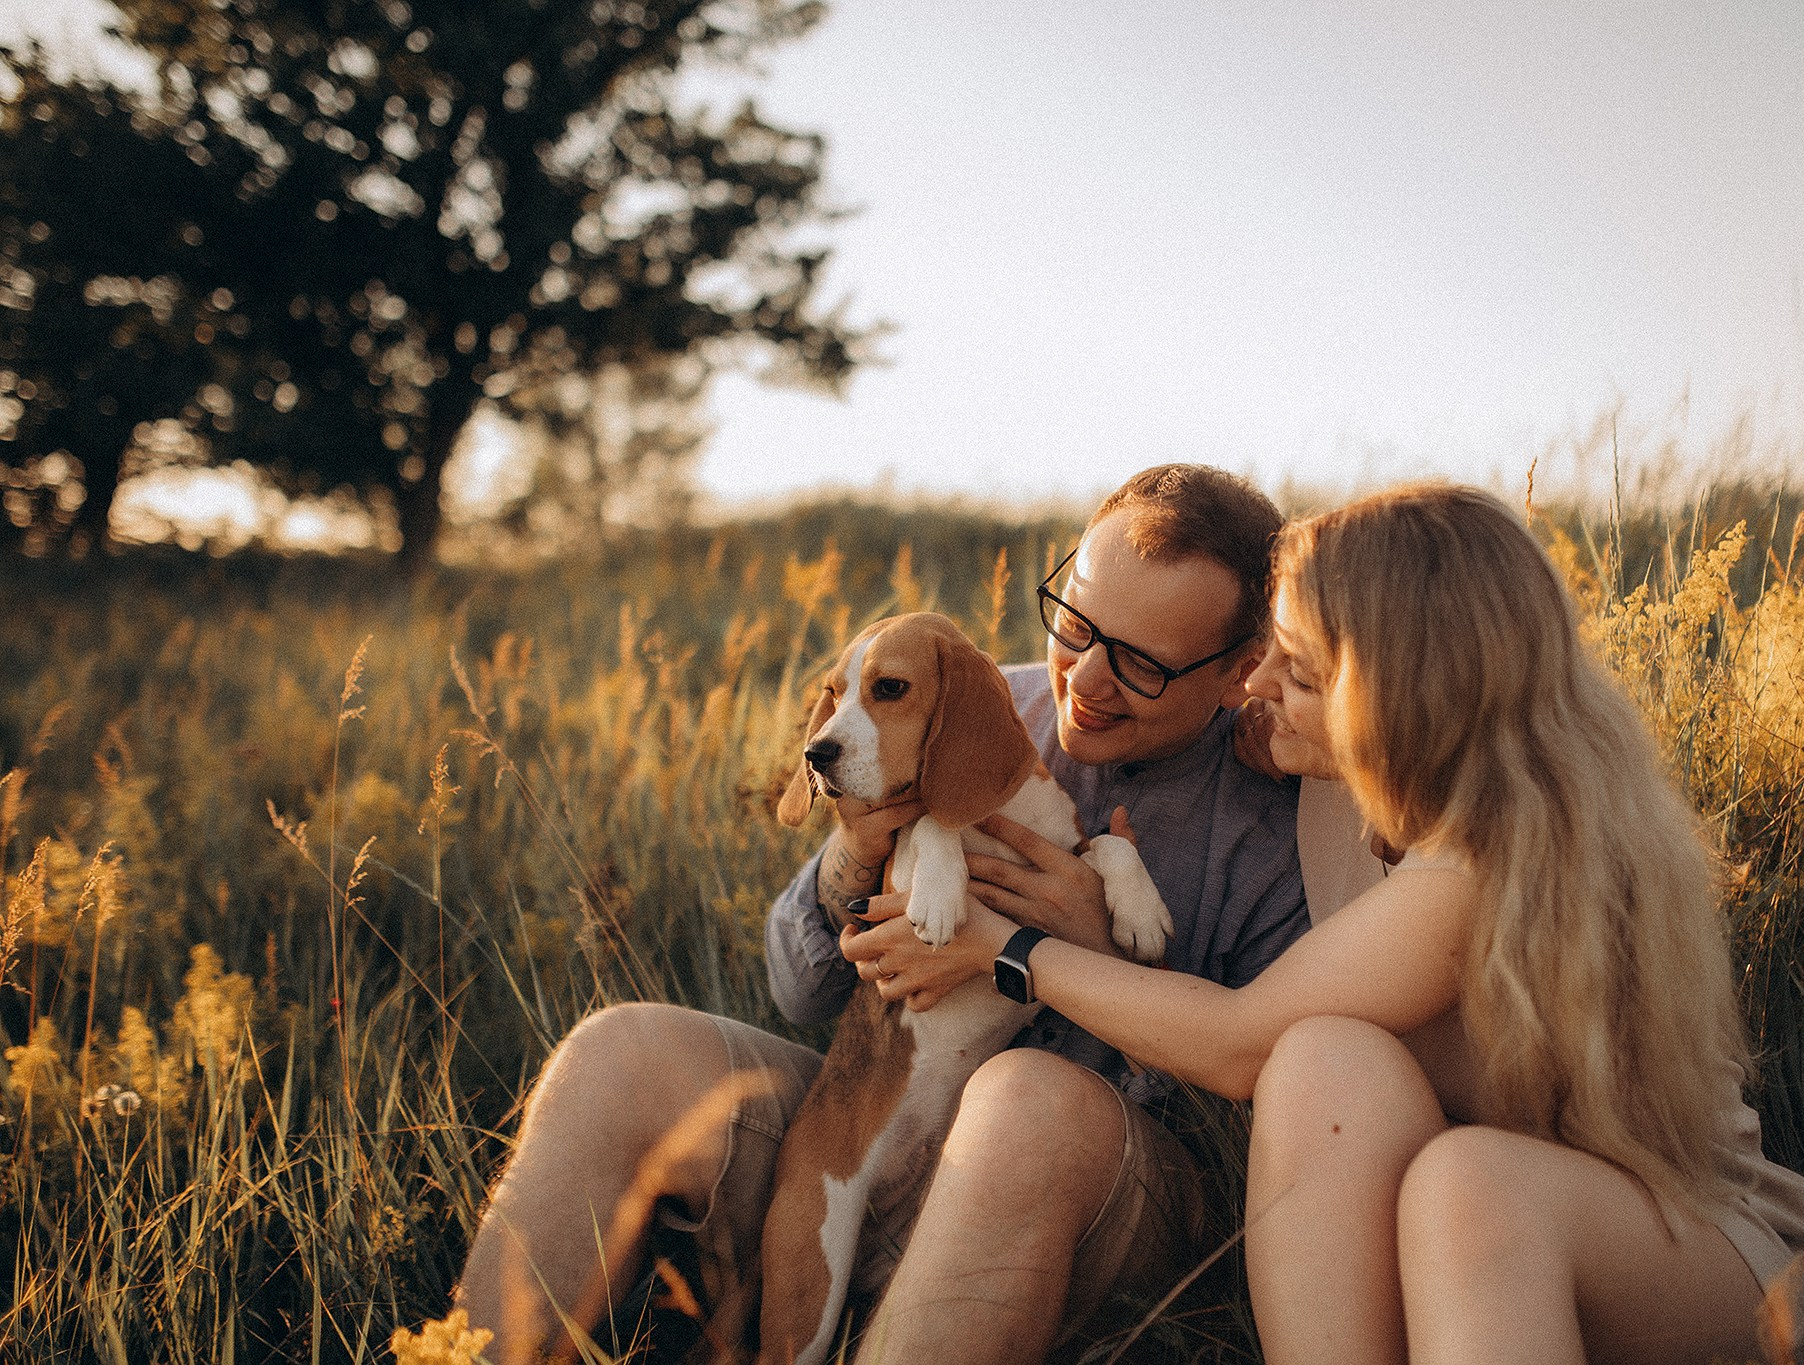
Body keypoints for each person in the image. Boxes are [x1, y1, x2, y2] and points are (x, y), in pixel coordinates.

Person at [851, 482, 1804, 1364]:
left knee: (1468, 1180)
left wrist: (1009, 948)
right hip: (1441, 1220)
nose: (1256, 684)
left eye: (1301, 671)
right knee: (1329, 1060)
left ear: (1400, 696)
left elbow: (1237, 1044)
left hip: (1684, 1243)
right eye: (1266, 655)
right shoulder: (1338, 786)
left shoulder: (1485, 857)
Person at [453, 463, 1311, 1364]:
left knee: (1025, 1105)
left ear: (1238, 673)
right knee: (620, 1051)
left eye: (1139, 661)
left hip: (1099, 1199)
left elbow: (1254, 1134)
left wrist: (1083, 959)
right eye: (1076, 624)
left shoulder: (1276, 825)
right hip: (881, 1131)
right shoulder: (964, 698)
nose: (1084, 679)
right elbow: (798, 989)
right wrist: (857, 853)